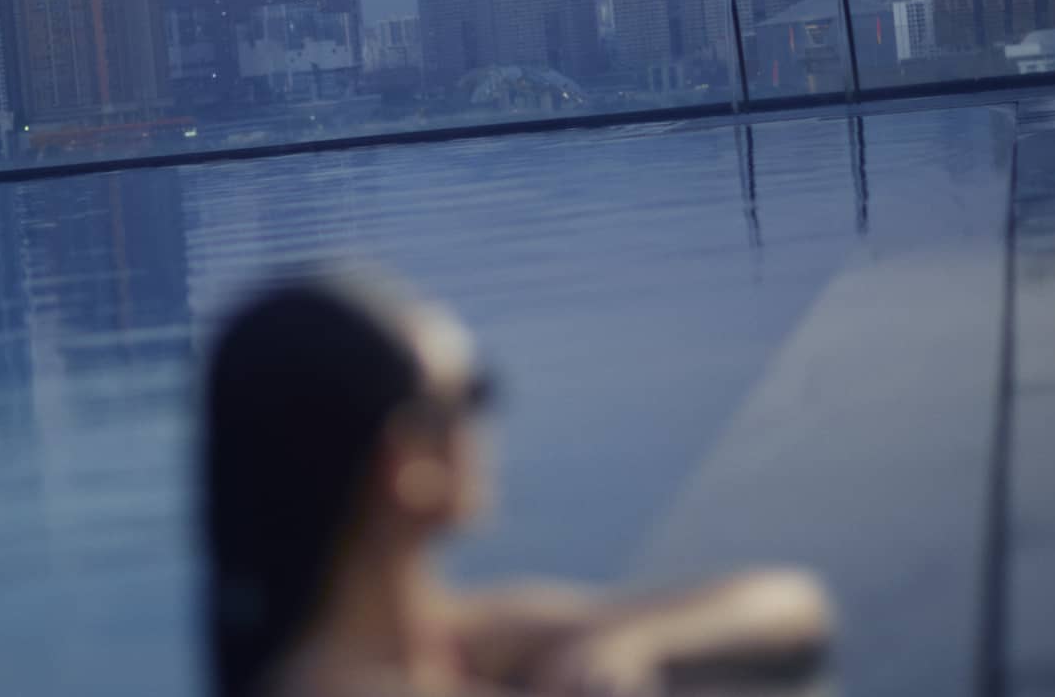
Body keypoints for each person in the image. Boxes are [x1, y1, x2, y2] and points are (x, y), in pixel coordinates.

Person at [203, 266, 831, 697]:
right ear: (403, 459)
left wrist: (635, 642)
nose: (486, 425)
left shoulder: (455, 643)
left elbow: (789, 602)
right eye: (472, 394)